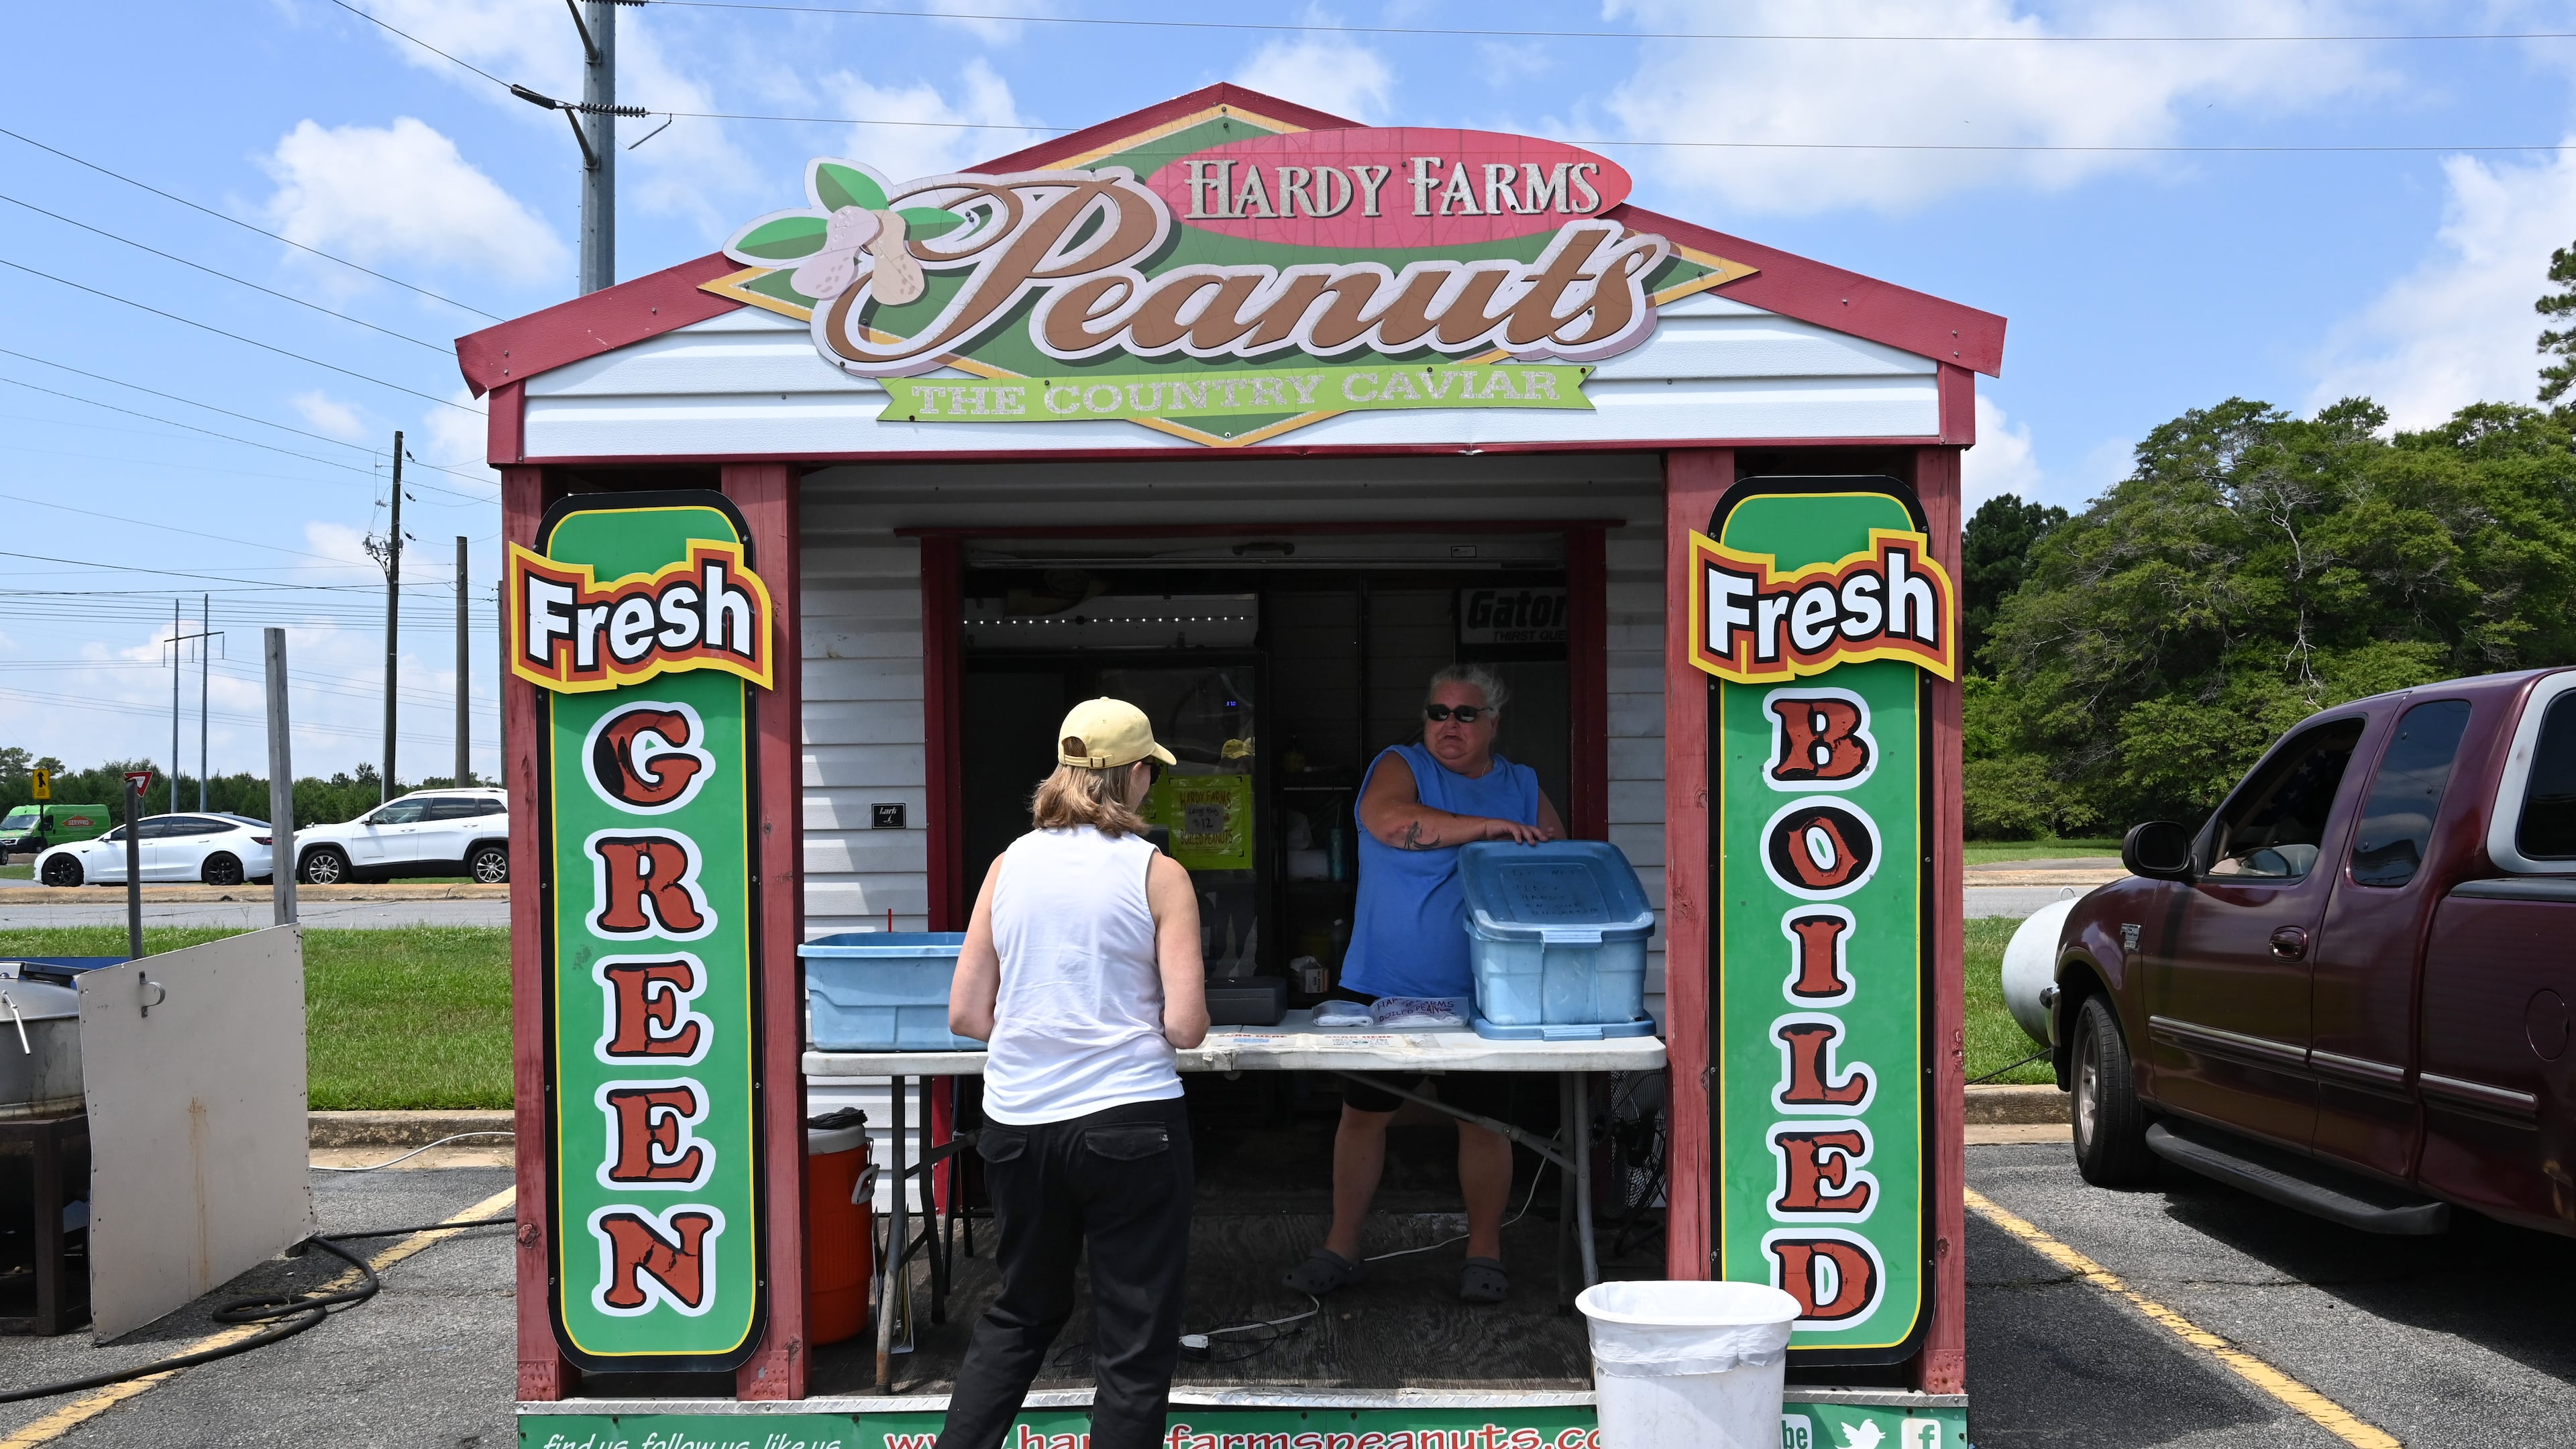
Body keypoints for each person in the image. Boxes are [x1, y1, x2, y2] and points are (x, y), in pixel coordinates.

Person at [940, 698, 1211, 1449]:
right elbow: (1185, 1027)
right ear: (1130, 776)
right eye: (1149, 773)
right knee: (1135, 1333)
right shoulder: (1158, 873)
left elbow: (965, 1013)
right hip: (1131, 1123)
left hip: (1019, 1125)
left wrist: (1042, 1035)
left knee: (1020, 1313)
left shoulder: (1007, 865)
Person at [1284, 664, 1562, 1304]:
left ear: (1494, 721)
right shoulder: (1400, 764)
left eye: (1466, 715)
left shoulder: (1522, 785)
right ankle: (1342, 1245)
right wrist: (1489, 830)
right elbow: (1389, 823)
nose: (1449, 726)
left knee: (1485, 1126)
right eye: (1438, 713)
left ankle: (1484, 1253)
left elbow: (1558, 865)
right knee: (1362, 1117)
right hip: (1383, 987)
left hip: (1489, 994)